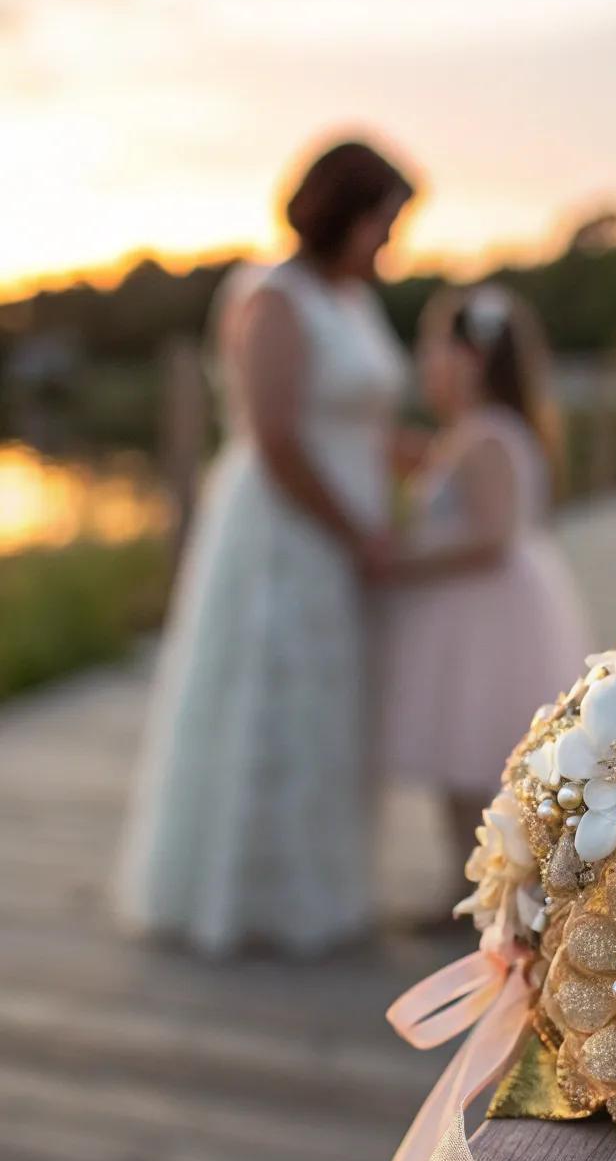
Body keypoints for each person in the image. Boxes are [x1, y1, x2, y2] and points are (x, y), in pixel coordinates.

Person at [116, 138, 413, 954]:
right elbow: (279, 439)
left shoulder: (353, 300)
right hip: (286, 533)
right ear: (343, 213)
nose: (391, 241)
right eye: (383, 222)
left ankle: (322, 892)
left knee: (332, 707)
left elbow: (368, 424)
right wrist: (359, 536)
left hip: (345, 528)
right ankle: (246, 900)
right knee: (271, 704)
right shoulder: (273, 298)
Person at [378, 285, 591, 871]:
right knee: (461, 753)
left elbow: (491, 533)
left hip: (484, 613)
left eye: (432, 351)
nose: (425, 365)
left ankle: (486, 883)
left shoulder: (487, 435)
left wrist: (396, 560)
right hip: (479, 606)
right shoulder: (476, 433)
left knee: (475, 749)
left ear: (468, 359)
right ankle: (465, 879)